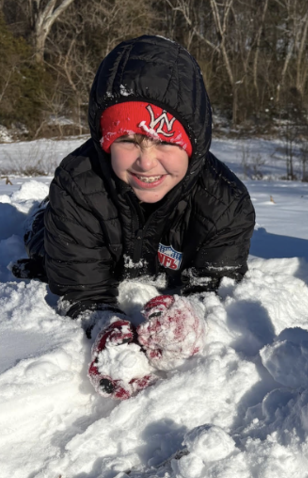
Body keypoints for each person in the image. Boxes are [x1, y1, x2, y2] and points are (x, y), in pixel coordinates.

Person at [15, 34, 255, 400]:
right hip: (91, 235)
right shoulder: (79, 183)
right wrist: (102, 321)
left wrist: (195, 309)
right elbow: (80, 285)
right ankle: (40, 219)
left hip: (162, 245)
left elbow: (215, 281)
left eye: (165, 142)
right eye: (127, 141)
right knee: (45, 247)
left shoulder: (224, 203)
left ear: (194, 142)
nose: (146, 161)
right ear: (104, 141)